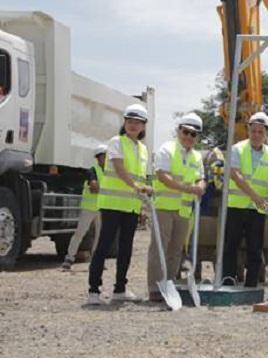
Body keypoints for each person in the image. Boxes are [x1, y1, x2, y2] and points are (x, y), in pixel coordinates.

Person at [87, 104, 152, 305]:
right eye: (130, 121)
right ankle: (94, 291)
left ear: (143, 126)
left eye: (138, 122)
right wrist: (137, 186)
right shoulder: (116, 142)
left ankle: (120, 289)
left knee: (126, 248)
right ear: (124, 123)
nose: (133, 125)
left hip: (131, 206)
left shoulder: (143, 149)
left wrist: (142, 202)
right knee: (104, 246)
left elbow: (141, 176)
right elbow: (119, 168)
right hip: (112, 204)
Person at [148, 113, 206, 303]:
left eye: (193, 134)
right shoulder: (167, 149)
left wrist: (201, 186)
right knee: (160, 248)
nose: (188, 137)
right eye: (186, 132)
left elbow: (200, 178)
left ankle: (170, 283)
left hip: (184, 210)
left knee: (176, 250)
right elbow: (163, 176)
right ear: (179, 130)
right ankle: (155, 288)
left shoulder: (197, 156)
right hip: (164, 208)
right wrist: (188, 188)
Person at [223, 112, 268, 287]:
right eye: (253, 131)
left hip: (258, 209)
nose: (256, 135)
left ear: (266, 134)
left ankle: (252, 282)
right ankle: (228, 279)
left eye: (260, 132)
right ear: (248, 130)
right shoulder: (237, 149)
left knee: (255, 247)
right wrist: (255, 196)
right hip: (236, 206)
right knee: (231, 245)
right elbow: (235, 174)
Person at [61, 144, 108, 270]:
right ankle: (69, 258)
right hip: (89, 208)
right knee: (80, 233)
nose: (105, 159)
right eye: (103, 157)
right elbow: (93, 188)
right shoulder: (92, 171)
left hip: (102, 209)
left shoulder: (109, 173)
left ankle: (97, 260)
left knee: (100, 236)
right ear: (98, 158)